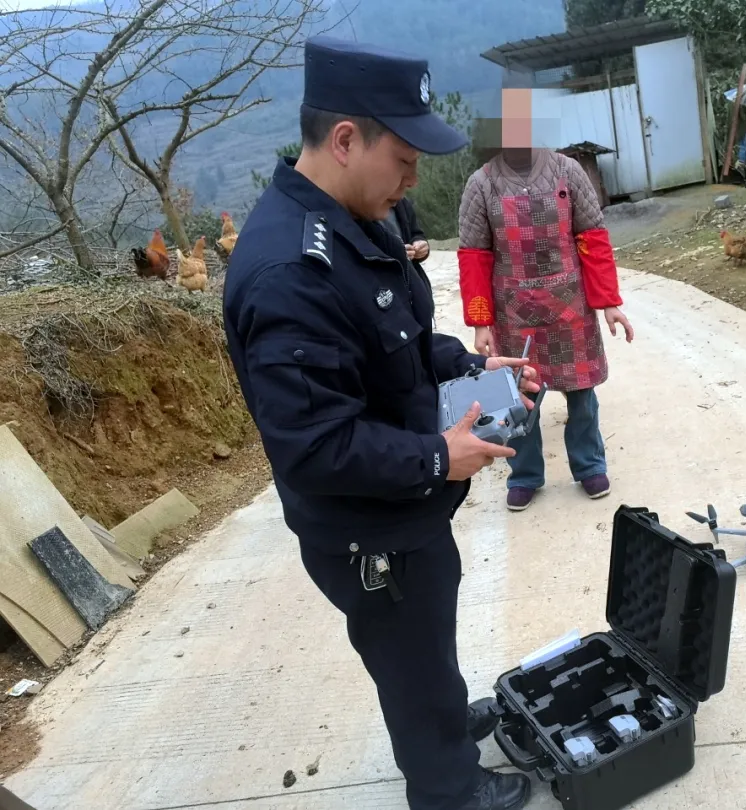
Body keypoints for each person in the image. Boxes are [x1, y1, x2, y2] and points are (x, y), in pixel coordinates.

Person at [222, 36, 538, 810]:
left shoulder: (355, 218)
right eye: (403, 159)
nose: (412, 179)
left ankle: (443, 723)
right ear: (344, 141)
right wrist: (437, 458)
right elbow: (315, 447)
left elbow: (395, 343)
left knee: (423, 641)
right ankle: (449, 790)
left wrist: (469, 364)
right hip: (369, 528)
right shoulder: (291, 273)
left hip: (401, 508)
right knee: (410, 656)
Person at [457, 87, 634, 512]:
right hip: (513, 312)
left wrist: (608, 302)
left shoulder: (567, 172)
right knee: (520, 398)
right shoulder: (481, 184)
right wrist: (480, 321)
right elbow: (475, 256)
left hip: (570, 306)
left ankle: (589, 466)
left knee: (582, 395)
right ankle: (525, 475)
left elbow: (591, 237)